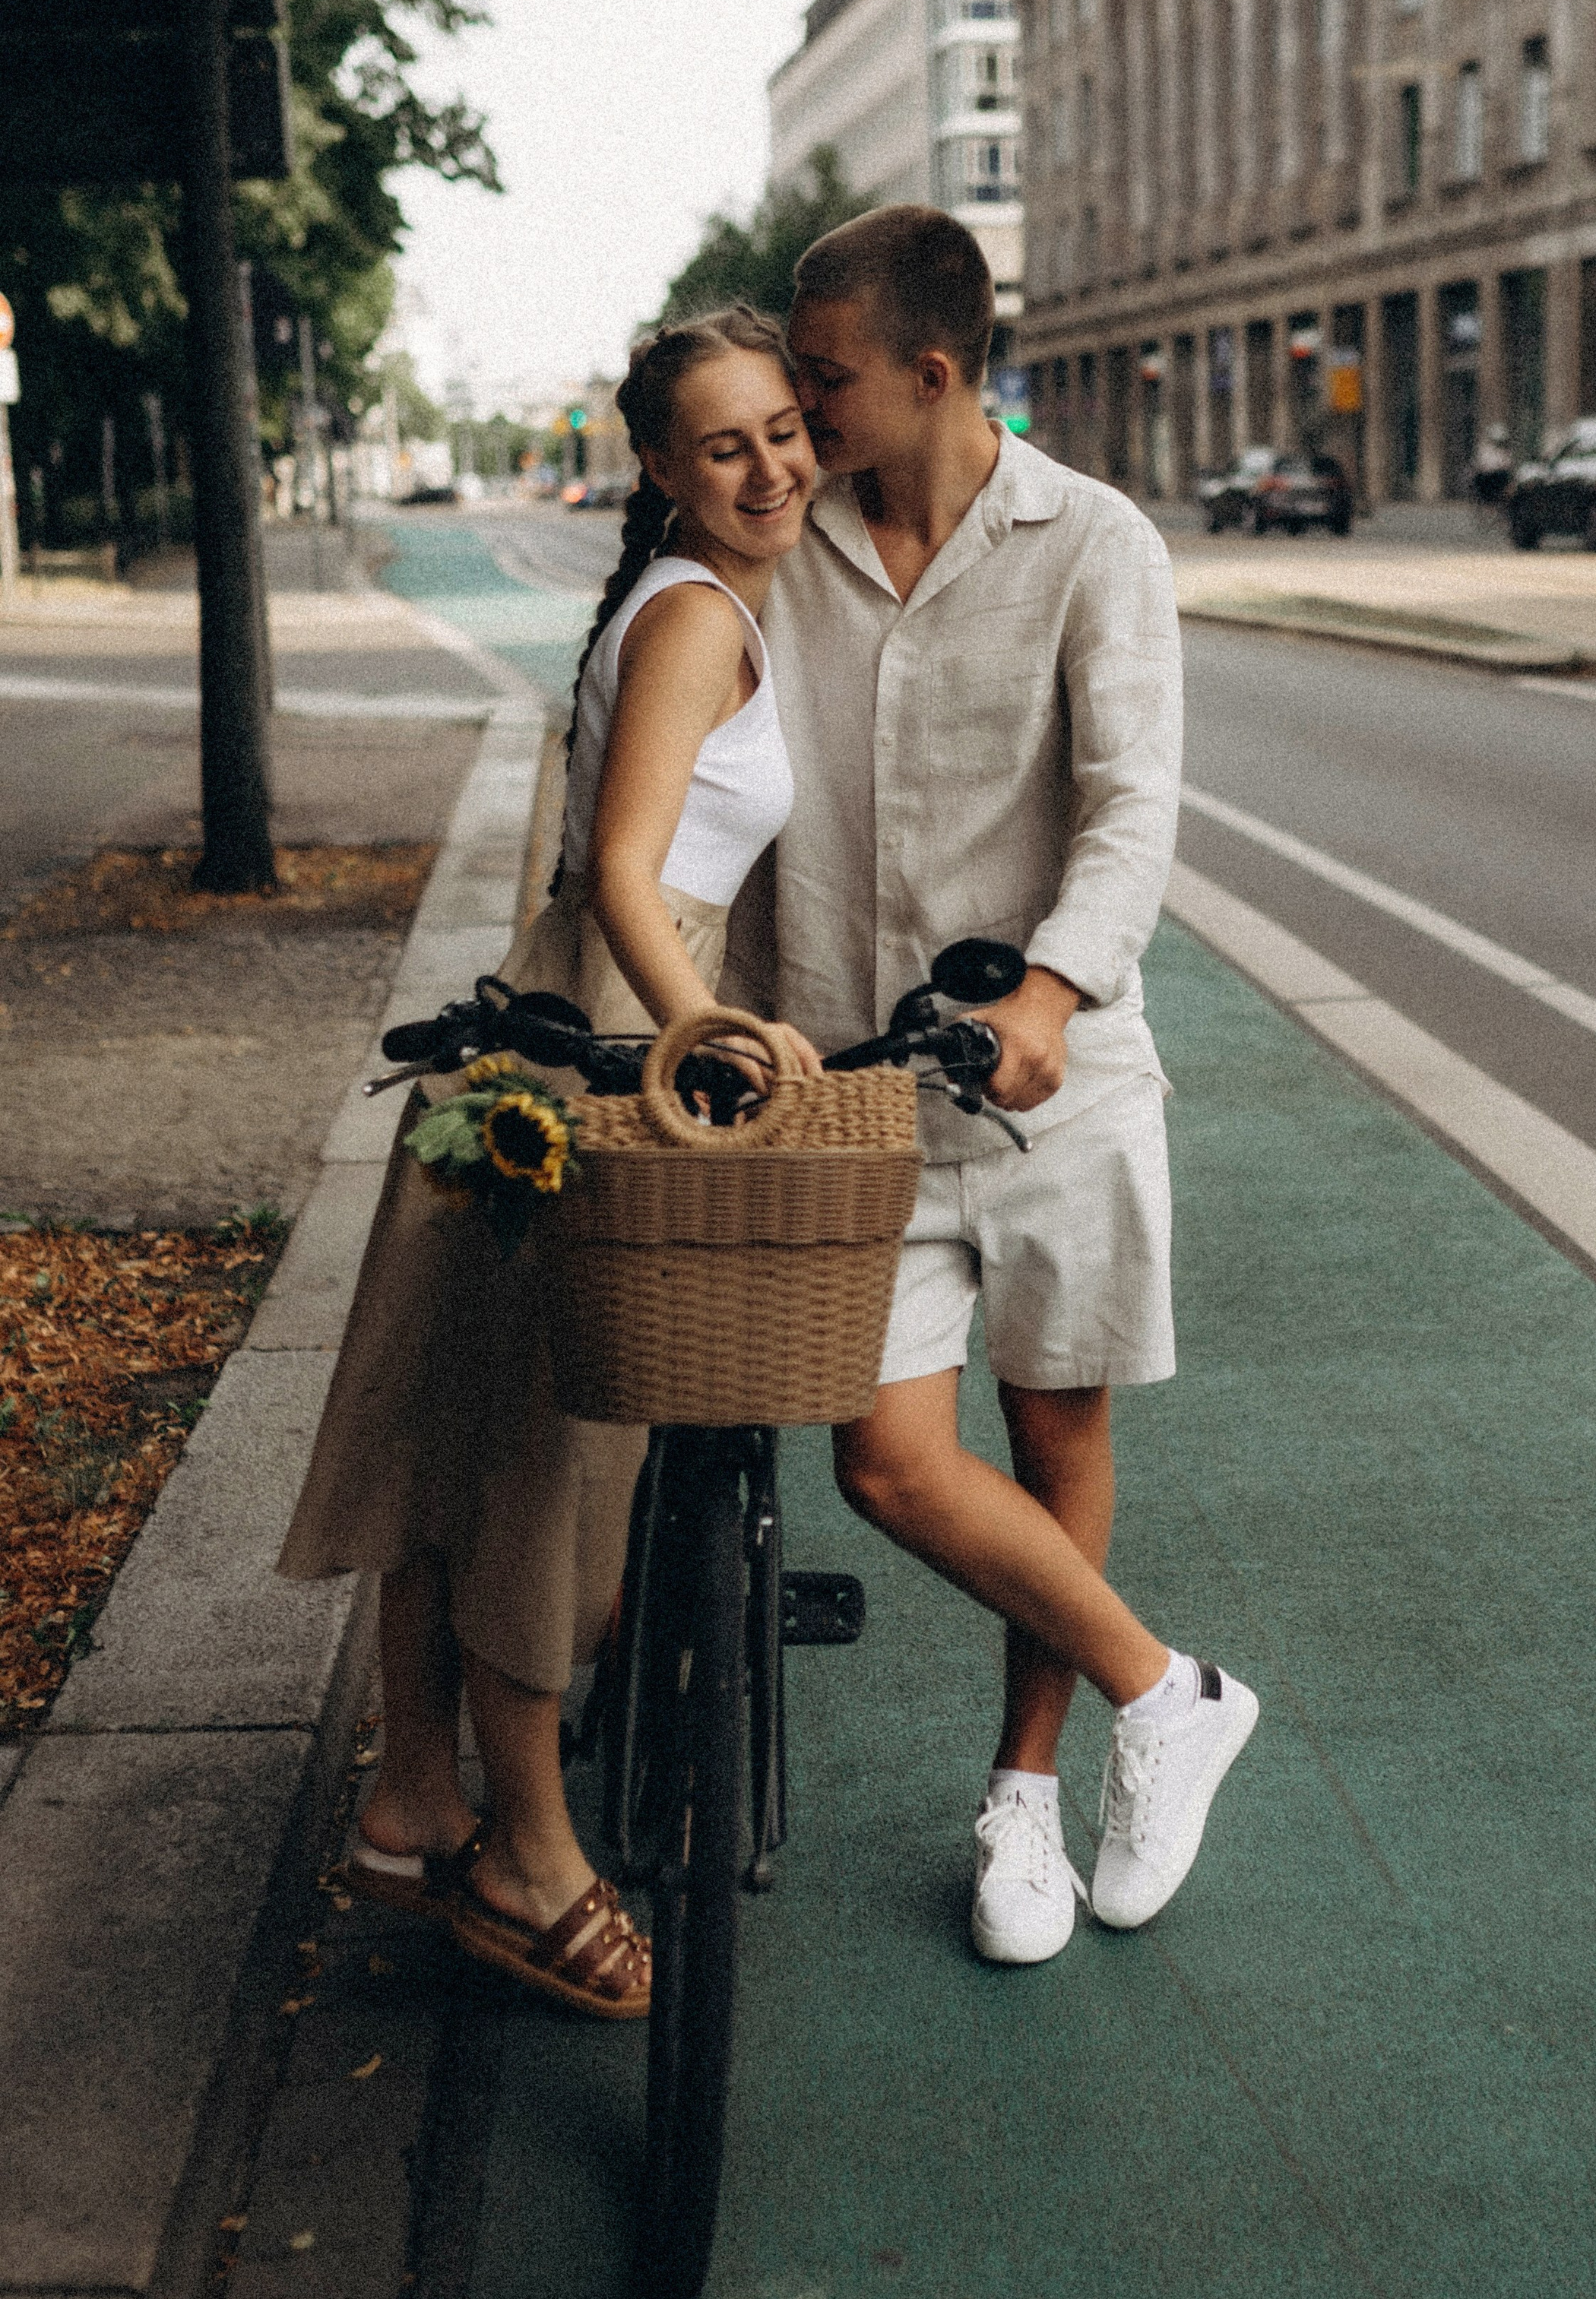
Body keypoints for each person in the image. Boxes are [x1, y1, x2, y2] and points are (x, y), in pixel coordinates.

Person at [730, 205, 1258, 1968]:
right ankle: (1162, 1688)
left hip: (1052, 1076)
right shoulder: (777, 543)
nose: (801, 417)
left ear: (932, 374)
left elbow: (1129, 801)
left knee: (1054, 1435)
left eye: (824, 380)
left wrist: (1049, 983)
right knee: (884, 1461)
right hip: (847, 1088)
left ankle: (1026, 1791)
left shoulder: (1091, 542)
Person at [279, 307, 821, 2019]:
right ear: (657, 468)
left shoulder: (685, 600)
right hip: (604, 1021)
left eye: (787, 428)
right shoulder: (694, 616)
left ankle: (411, 1796)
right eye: (723, 444)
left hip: (553, 1019)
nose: (770, 467)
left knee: (473, 1426)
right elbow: (624, 864)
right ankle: (529, 1846)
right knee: (549, 1456)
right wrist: (700, 1038)